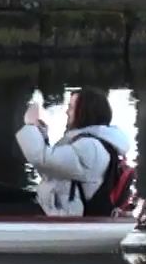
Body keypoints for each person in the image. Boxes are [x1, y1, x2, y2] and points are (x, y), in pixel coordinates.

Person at [14, 87, 136, 217]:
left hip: (61, 212)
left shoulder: (90, 147)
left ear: (84, 112)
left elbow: (42, 159)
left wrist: (30, 126)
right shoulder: (90, 142)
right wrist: (42, 136)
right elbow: (52, 169)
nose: (67, 112)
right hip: (56, 205)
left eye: (71, 108)